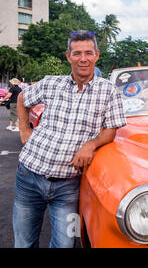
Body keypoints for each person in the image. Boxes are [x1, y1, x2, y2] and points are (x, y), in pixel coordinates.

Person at [14, 30, 127, 248]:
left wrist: (90, 145)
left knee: (64, 245)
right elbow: (22, 98)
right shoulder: (50, 83)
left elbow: (111, 130)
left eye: (88, 53)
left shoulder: (109, 91)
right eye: (77, 53)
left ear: (96, 55)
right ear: (68, 56)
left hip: (68, 185)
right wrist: (24, 129)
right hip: (28, 175)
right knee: (24, 243)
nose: (82, 58)